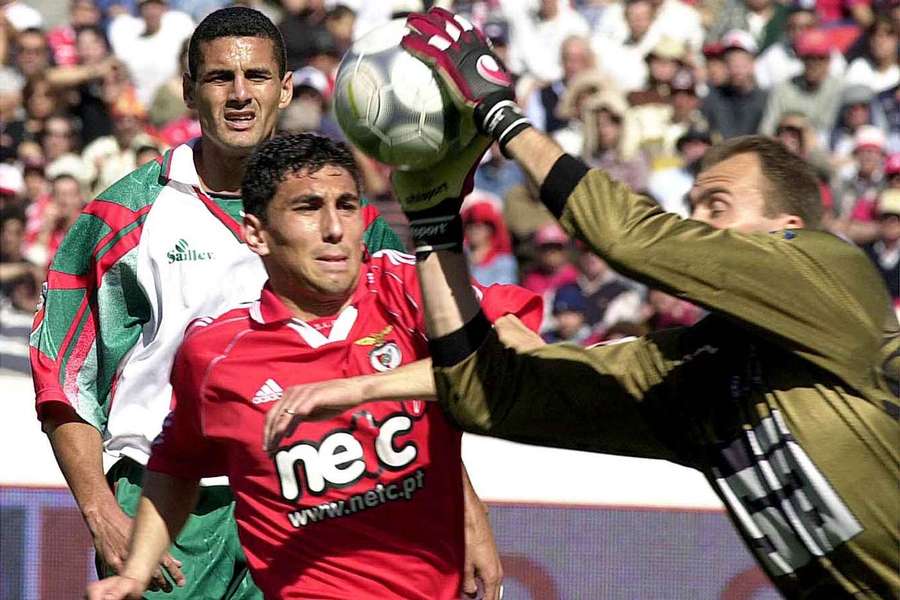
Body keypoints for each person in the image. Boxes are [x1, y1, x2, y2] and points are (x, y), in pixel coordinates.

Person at [295, 8, 899, 598]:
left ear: (788, 226)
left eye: (717, 205)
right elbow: (487, 395)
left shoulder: (832, 275)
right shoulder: (700, 376)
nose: (698, 221)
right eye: (696, 204)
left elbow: (632, 240)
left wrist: (503, 116)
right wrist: (432, 226)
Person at [32, 7, 502, 600]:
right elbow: (62, 382)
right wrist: (100, 508)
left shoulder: (340, 216)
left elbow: (408, 367)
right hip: (175, 510)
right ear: (188, 91)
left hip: (323, 491)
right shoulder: (120, 219)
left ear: (283, 91)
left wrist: (467, 508)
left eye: (256, 77)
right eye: (219, 78)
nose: (238, 95)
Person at [85, 133, 531, 600]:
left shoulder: (408, 290)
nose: (334, 228)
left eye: (347, 205)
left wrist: (363, 389)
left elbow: (518, 357)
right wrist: (134, 575)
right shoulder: (215, 354)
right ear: (255, 233)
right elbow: (178, 462)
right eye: (308, 207)